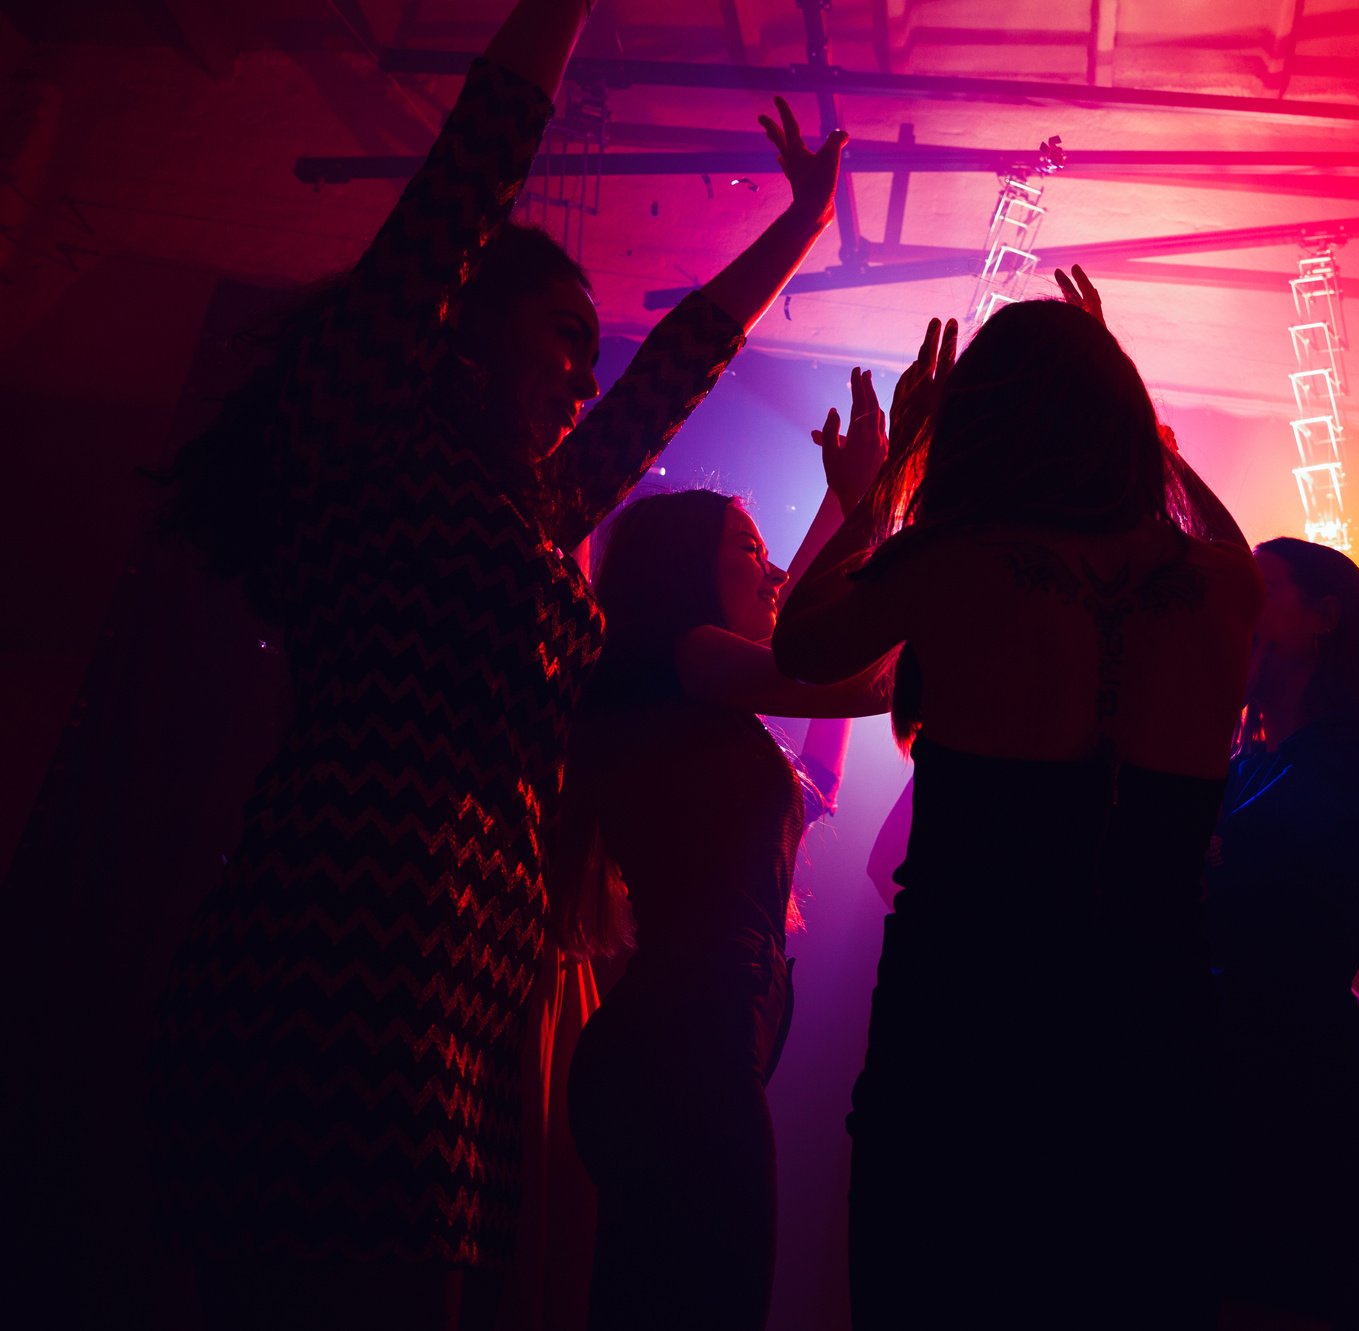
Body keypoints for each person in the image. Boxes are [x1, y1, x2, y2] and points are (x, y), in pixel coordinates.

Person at [146, 0, 848, 1323]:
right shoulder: (367, 441)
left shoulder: (532, 509)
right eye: (561, 346)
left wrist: (796, 232)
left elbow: (670, 376)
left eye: (589, 361)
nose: (585, 384)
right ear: (459, 328)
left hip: (467, 973)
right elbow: (465, 178)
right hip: (337, 927)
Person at [771, 272, 1263, 1330]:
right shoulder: (1221, 588)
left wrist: (891, 468)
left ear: (980, 427)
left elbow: (799, 640)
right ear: (1127, 426)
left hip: (967, 1029)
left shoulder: (951, 561)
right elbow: (1225, 545)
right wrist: (1139, 423)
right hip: (1150, 1029)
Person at [548, 371, 892, 1330]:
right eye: (751, 549)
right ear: (688, 574)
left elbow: (816, 648)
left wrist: (851, 505)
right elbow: (840, 673)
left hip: (697, 1041)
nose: (775, 570)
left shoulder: (705, 702)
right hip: (683, 1043)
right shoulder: (691, 655)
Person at [1204, 537, 1359, 1330]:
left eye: (1262, 590)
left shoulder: (1356, 749)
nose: (1240, 610)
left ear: (1324, 617)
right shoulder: (1253, 760)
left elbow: (1240, 879)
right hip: (1239, 1065)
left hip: (1291, 1074)